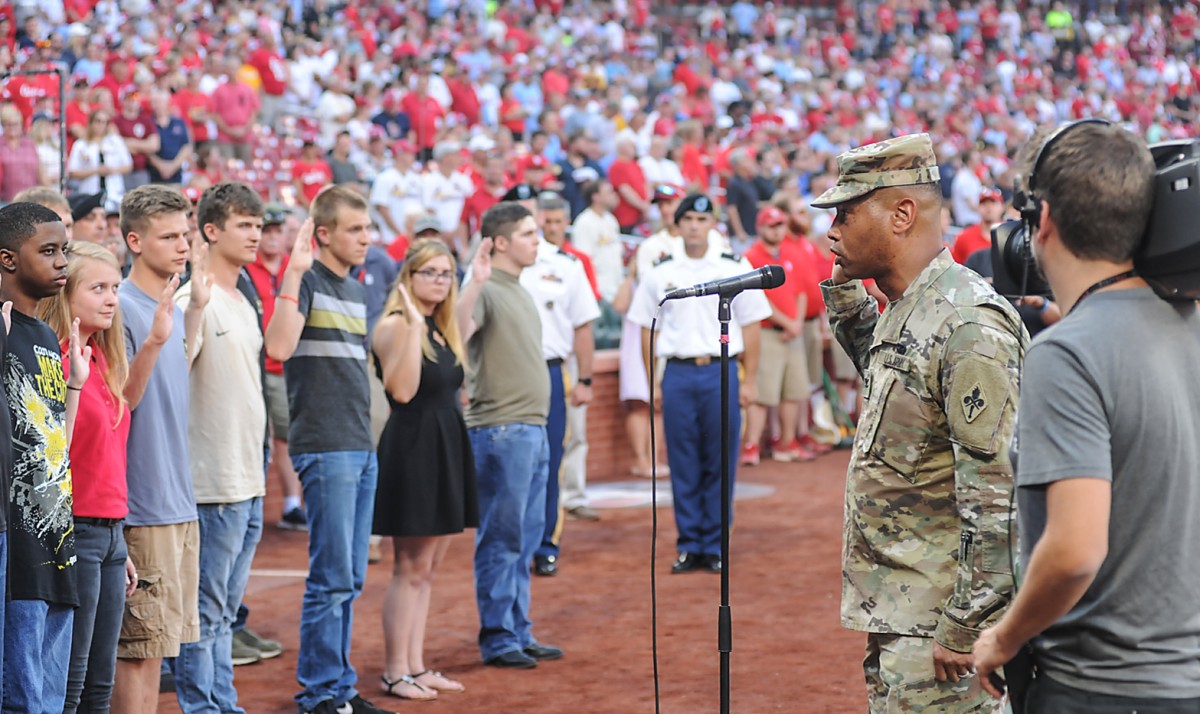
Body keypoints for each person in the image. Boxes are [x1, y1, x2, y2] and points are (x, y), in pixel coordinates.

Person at [973, 122, 1200, 712]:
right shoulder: (1190, 325)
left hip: (1101, 685)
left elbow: (1073, 550)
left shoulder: (1067, 352)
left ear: (1042, 220)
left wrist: (1005, 637)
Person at [814, 133, 1024, 712]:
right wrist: (847, 297)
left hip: (942, 630)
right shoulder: (910, 307)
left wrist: (966, 623)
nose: (832, 230)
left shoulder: (966, 325)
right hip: (903, 613)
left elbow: (998, 496)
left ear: (902, 213)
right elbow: (895, 391)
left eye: (846, 213)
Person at [264, 186, 393, 714]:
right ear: (323, 235)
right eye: (355, 230)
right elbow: (277, 348)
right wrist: (293, 273)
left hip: (359, 444)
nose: (367, 238)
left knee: (352, 576)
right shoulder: (308, 282)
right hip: (327, 445)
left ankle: (339, 687)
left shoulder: (360, 290)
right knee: (332, 576)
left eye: (368, 229)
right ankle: (319, 693)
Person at [628, 193, 771, 574]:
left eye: (702, 219)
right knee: (683, 458)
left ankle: (716, 543)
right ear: (677, 225)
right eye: (687, 218)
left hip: (720, 370)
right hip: (677, 371)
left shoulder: (732, 265)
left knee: (721, 458)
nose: (694, 225)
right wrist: (652, 383)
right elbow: (647, 327)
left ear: (713, 224)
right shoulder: (661, 271)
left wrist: (750, 379)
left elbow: (753, 322)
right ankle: (690, 543)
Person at [172, 182, 267, 713]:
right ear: (211, 231)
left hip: (246, 476)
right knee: (205, 613)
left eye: (258, 225)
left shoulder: (239, 299)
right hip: (212, 481)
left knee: (223, 612)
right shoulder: (195, 301)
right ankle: (204, 708)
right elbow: (175, 372)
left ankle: (222, 705)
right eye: (244, 225)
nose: (255, 235)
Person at [455, 202, 562, 669]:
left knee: (527, 533)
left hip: (529, 428)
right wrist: (473, 283)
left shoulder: (517, 288)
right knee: (503, 536)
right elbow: (456, 336)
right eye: (527, 233)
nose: (536, 240)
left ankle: (517, 628)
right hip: (502, 428)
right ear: (499, 242)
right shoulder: (486, 288)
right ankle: (499, 636)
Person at [372, 239, 478, 701]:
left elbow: (459, 357)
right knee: (409, 569)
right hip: (413, 451)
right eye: (429, 272)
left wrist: (479, 282)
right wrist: (413, 330)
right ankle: (395, 672)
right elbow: (403, 391)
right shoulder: (397, 324)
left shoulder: (439, 325)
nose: (439, 280)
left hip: (443, 446)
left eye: (446, 273)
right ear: (407, 277)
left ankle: (415, 665)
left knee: (428, 569)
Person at [111, 185, 201, 714]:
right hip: (143, 506)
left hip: (176, 500)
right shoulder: (121, 307)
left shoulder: (165, 305)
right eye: (169, 237)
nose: (182, 246)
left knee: (156, 651)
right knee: (136, 652)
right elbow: (118, 407)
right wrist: (157, 341)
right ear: (135, 241)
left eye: (185, 235)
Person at [39, 241, 137, 714]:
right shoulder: (58, 361)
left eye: (115, 287)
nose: (112, 299)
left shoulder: (101, 360)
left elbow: (108, 459)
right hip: (75, 531)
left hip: (111, 534)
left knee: (100, 681)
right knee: (71, 681)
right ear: (66, 296)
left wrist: (122, 539)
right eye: (98, 288)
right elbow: (52, 452)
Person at [0, 202, 78, 712]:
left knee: (49, 697)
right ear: (7, 259)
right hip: (16, 540)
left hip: (55, 534)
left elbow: (54, 439)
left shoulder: (47, 335)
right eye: (47, 251)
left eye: (64, 251)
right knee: (20, 696)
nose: (61, 262)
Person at [521, 200, 601, 576]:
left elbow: (583, 326)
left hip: (551, 369)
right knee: (507, 463)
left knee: (550, 460)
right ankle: (512, 543)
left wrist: (584, 378)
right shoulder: (492, 260)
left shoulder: (567, 266)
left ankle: (545, 544)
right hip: (505, 372)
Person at [740, 206, 818, 465]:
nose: (777, 230)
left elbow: (802, 292)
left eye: (780, 225)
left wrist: (796, 322)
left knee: (793, 391)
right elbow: (756, 298)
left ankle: (787, 442)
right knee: (762, 394)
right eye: (772, 225)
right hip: (766, 332)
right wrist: (787, 322)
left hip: (791, 331)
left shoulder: (791, 253)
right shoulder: (751, 256)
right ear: (760, 228)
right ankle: (751, 445)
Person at [244, 205, 305, 530]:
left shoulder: (293, 269)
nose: (270, 237)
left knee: (284, 436)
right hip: (252, 363)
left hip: (286, 365)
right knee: (256, 434)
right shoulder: (245, 269)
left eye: (276, 231)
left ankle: (292, 503)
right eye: (265, 230)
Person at [67, 110, 133, 204]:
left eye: (104, 122)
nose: (101, 125)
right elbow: (73, 172)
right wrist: (96, 171)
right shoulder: (81, 145)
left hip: (114, 192)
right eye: (98, 121)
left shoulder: (115, 141)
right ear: (91, 123)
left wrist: (111, 170)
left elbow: (128, 165)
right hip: (89, 191)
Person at [0, 105, 46, 200]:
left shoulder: (29, 144)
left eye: (16, 124)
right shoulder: (1, 145)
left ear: (21, 125)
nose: (13, 127)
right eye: (9, 124)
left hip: (30, 197)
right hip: (5, 199)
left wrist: (47, 189)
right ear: (4, 126)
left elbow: (39, 169)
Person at [950, 187, 1004, 264]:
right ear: (978, 207)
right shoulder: (964, 237)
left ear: (1002, 206)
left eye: (993, 203)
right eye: (984, 204)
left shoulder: (1011, 234)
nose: (988, 207)